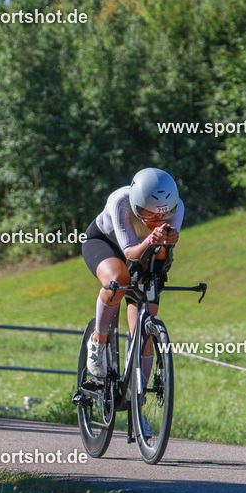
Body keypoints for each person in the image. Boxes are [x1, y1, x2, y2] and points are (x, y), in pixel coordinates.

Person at [80, 168, 183, 433]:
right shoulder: (121, 201)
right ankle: (99, 341)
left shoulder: (177, 208)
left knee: (145, 328)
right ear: (137, 205)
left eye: (164, 213)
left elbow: (160, 259)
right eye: (149, 213)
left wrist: (168, 243)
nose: (157, 218)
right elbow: (129, 252)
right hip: (107, 243)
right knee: (118, 278)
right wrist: (152, 237)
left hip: (146, 251)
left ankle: (138, 406)